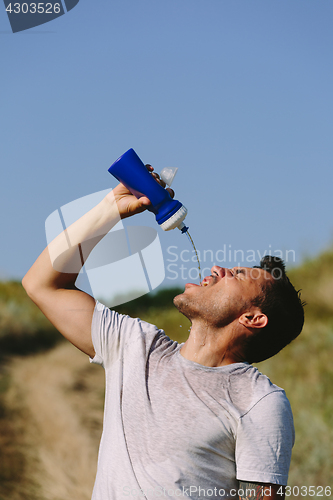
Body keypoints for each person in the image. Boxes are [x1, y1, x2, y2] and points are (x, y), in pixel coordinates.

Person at [22, 171, 304, 500]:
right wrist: (109, 209)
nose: (217, 269)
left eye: (237, 275)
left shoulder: (258, 401)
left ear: (253, 318)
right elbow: (42, 284)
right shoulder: (134, 346)